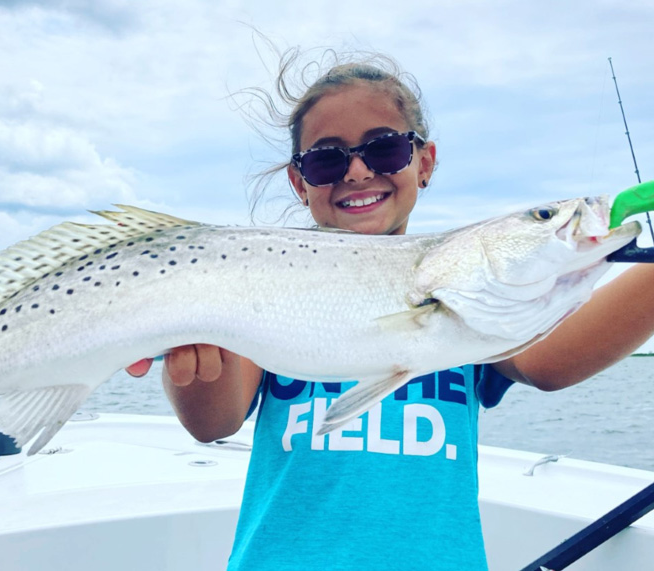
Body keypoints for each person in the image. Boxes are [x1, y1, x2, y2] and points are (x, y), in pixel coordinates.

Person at [126, 50, 654, 570]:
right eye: (327, 158)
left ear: (423, 163)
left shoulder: (472, 298)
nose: (357, 172)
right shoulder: (265, 282)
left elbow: (553, 363)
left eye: (384, 150)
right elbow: (213, 423)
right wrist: (189, 347)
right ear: (298, 180)